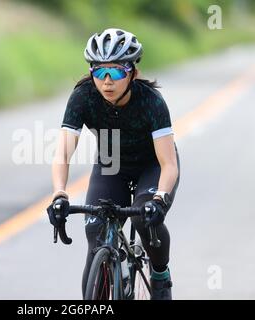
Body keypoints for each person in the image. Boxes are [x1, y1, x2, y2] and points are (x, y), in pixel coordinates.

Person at [47, 28, 180, 300]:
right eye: (99, 72)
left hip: (151, 165)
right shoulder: (83, 97)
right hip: (111, 164)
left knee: (145, 221)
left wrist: (160, 198)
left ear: (132, 72)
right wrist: (59, 193)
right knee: (95, 234)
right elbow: (62, 154)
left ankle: (160, 275)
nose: (107, 81)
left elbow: (169, 164)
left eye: (117, 72)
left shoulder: (151, 102)